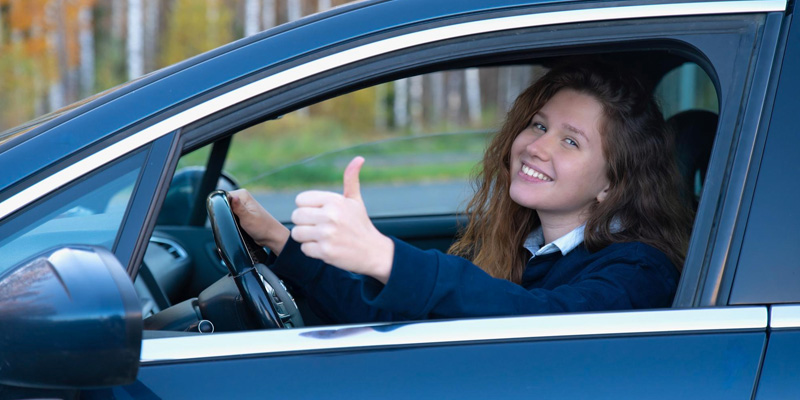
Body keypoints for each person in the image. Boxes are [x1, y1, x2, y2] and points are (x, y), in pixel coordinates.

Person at [230, 61, 693, 324]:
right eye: (539, 125)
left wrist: (385, 257)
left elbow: (545, 325)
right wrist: (279, 240)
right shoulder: (526, 249)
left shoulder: (639, 270)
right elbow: (397, 317)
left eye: (570, 141)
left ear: (612, 179)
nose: (536, 147)